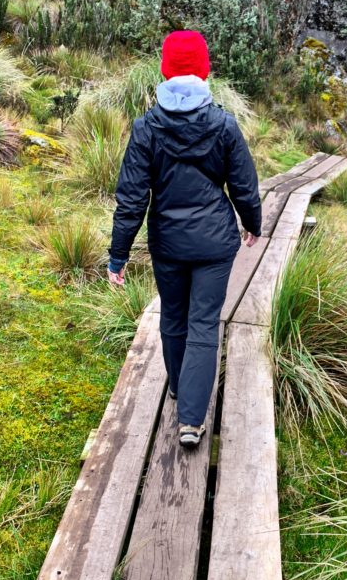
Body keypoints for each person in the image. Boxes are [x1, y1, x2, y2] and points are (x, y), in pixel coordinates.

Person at [107, 30, 262, 448]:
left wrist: (117, 255)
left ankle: (177, 387)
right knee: (203, 324)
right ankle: (191, 420)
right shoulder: (224, 124)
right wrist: (253, 223)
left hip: (168, 243)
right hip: (215, 244)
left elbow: (132, 199)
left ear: (165, 70)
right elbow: (244, 186)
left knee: (173, 318)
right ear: (204, 69)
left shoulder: (146, 128)